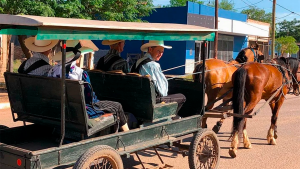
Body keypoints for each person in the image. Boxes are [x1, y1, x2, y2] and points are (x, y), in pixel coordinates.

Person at [49, 40, 129, 131]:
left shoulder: (53, 71)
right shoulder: (80, 73)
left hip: (61, 107)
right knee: (117, 106)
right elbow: (90, 97)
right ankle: (128, 135)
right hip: (84, 109)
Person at [130, 40, 186, 114]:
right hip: (152, 101)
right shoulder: (153, 66)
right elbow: (162, 92)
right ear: (150, 49)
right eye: (158, 51)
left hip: (139, 99)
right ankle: (170, 116)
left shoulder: (137, 63)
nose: (161, 54)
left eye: (162, 52)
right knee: (182, 97)